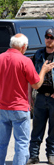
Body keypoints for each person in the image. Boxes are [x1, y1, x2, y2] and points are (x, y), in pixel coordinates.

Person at [0, 33, 54, 165]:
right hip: (19, 107)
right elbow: (36, 84)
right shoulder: (25, 61)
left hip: (2, 107)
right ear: (23, 46)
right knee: (21, 144)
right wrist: (43, 70)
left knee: (0, 143)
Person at [27, 28, 54, 164]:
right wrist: (29, 96)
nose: (49, 39)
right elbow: (30, 76)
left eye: (51, 37)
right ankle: (33, 155)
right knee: (37, 128)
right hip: (40, 96)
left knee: (53, 129)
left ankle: (51, 155)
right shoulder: (38, 54)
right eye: (47, 37)